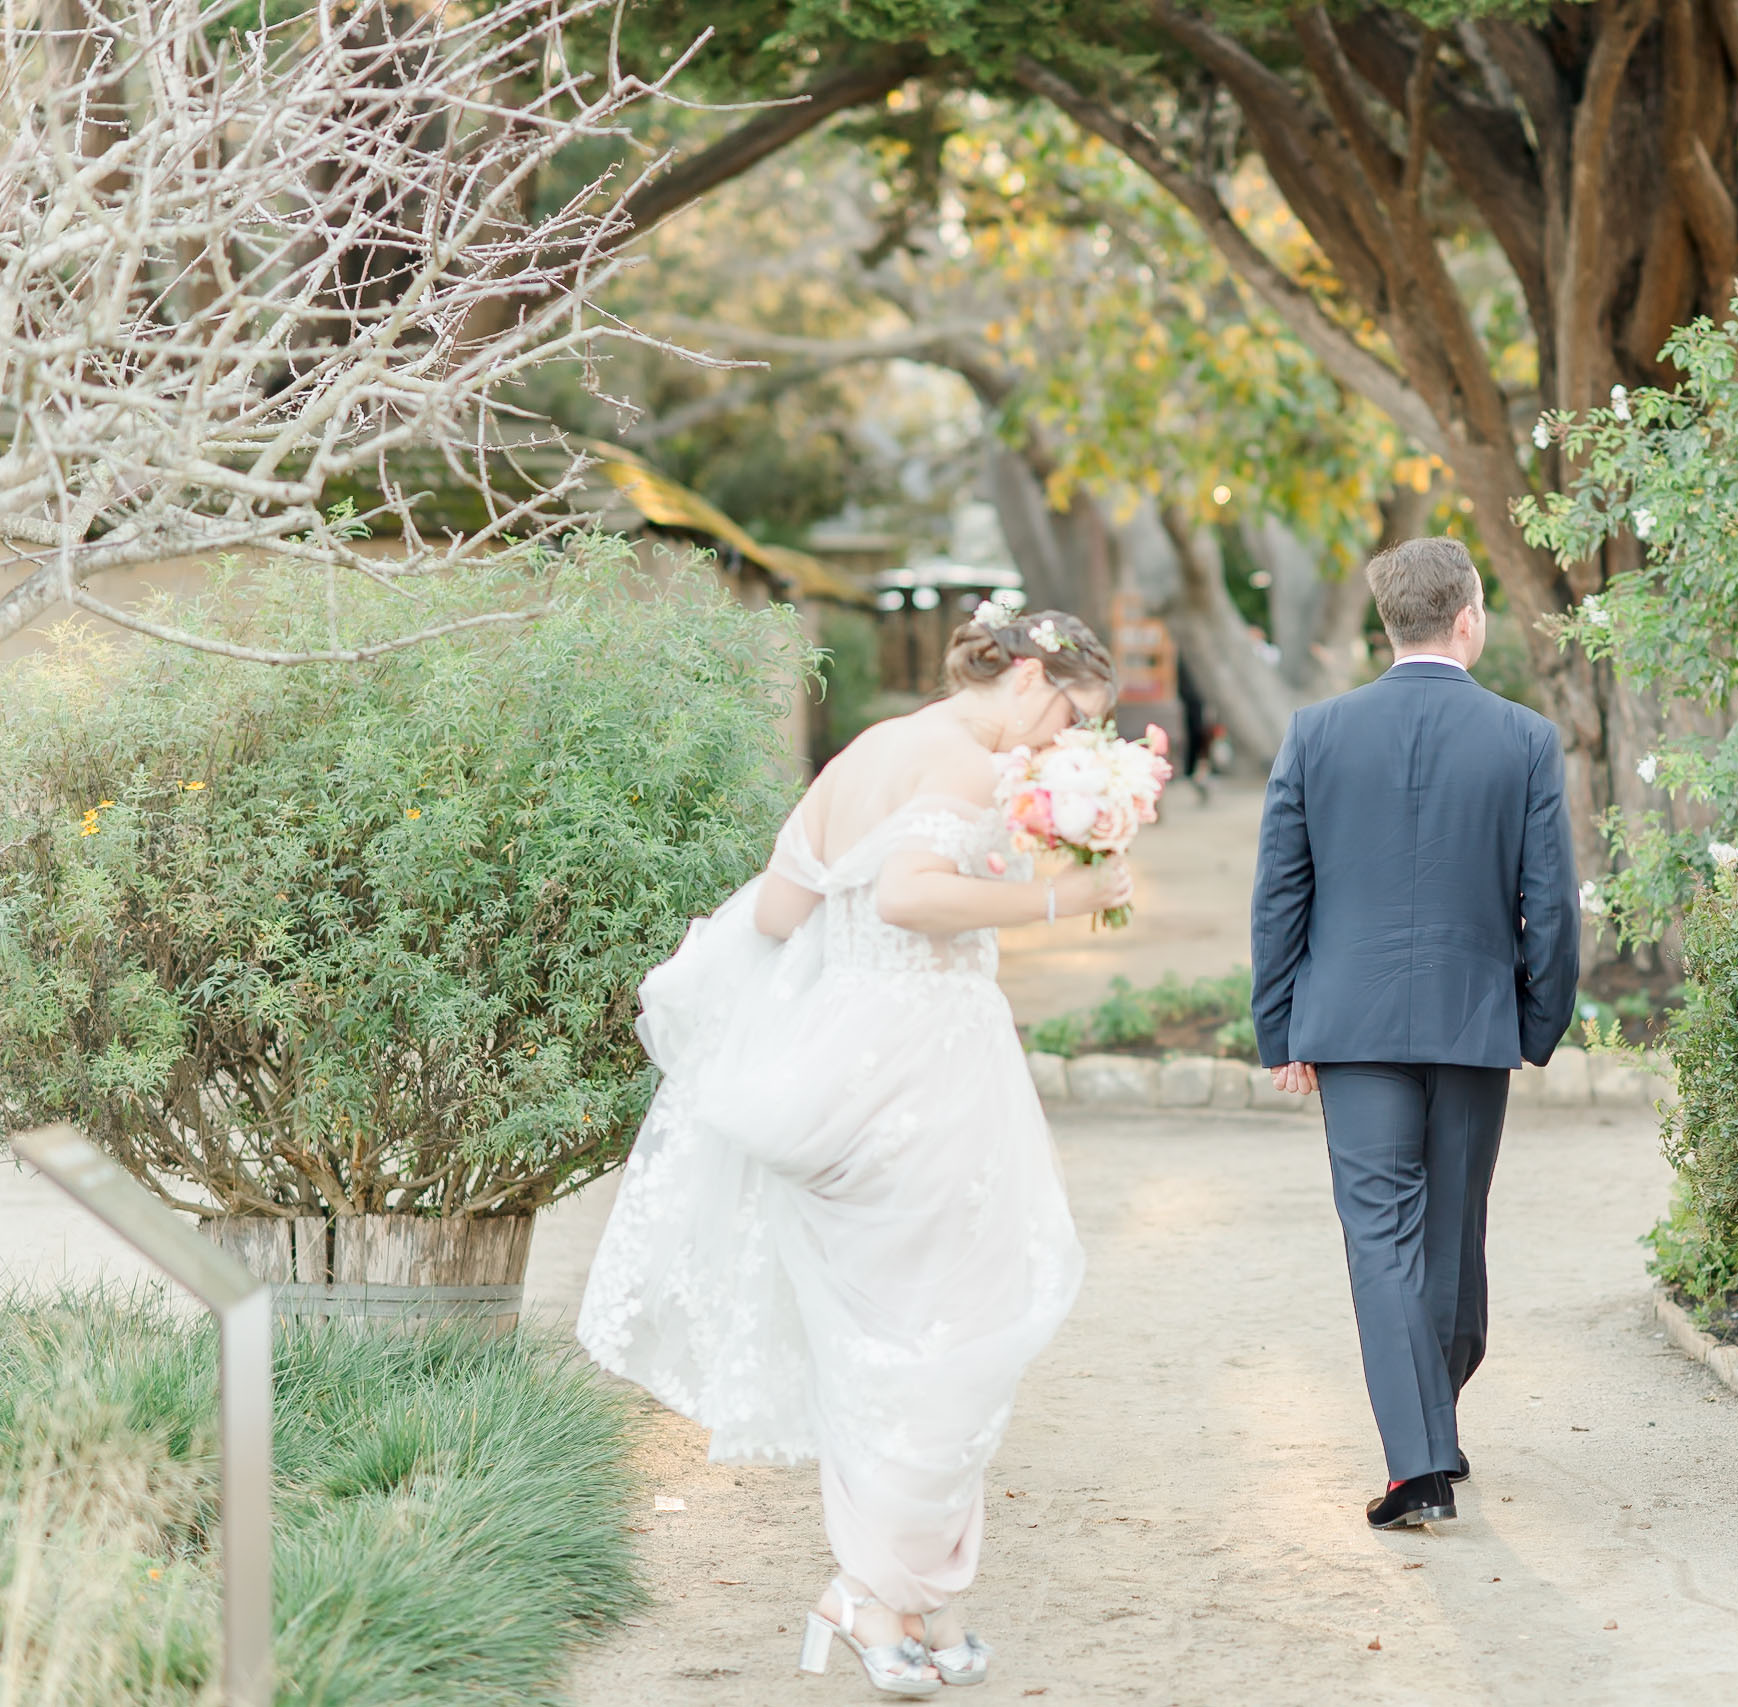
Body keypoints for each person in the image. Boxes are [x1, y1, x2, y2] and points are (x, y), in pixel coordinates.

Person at [578, 610, 1131, 1697]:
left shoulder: (868, 751)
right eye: (1067, 714)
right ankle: (884, 1591)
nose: (1054, 741)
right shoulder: (962, 760)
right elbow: (907, 895)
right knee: (953, 1329)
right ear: (1025, 676)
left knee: (878, 1336)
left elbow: (783, 910)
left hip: (834, 1080)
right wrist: (1063, 893)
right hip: (924, 1071)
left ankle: (901, 1595)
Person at [1248, 536, 1578, 1531]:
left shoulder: (1314, 731)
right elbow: (1551, 907)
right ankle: (1420, 1457)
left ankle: (1424, 1441)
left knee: (1383, 1240)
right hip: (1474, 1021)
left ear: (1387, 626)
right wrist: (1536, 1022)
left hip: (1348, 1023)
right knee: (1447, 1234)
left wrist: (1281, 1029)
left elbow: (1279, 898)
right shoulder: (1524, 738)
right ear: (1468, 619)